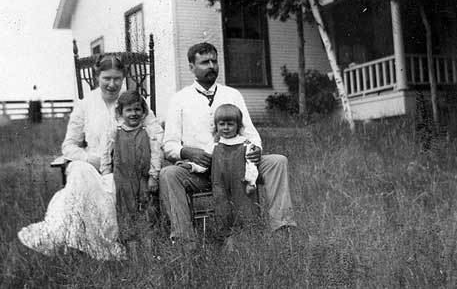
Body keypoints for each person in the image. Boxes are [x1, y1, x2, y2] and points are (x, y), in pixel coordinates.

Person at [17, 55, 163, 260]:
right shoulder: (85, 105)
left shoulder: (132, 102)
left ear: (124, 78)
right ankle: (72, 238)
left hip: (124, 169)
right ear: (97, 77)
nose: (112, 84)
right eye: (107, 78)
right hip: (90, 164)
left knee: (112, 182)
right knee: (78, 172)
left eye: (117, 78)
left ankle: (92, 243)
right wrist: (89, 159)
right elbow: (68, 145)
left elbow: (155, 133)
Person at [160, 42, 296, 246]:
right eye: (205, 62)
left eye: (214, 61)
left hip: (237, 165)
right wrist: (187, 152)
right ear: (191, 67)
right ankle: (184, 239)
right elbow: (168, 145)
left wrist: (255, 150)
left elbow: (251, 133)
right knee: (168, 174)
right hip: (202, 170)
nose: (211, 66)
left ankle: (281, 230)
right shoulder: (179, 99)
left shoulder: (232, 94)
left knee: (277, 161)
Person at [102, 90, 162, 246]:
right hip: (122, 180)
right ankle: (132, 249)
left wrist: (153, 176)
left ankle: (149, 247)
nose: (133, 113)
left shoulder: (147, 131)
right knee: (126, 212)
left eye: (137, 109)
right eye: (128, 110)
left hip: (143, 179)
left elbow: (156, 153)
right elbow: (106, 153)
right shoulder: (116, 131)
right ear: (121, 112)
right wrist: (106, 175)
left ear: (143, 111)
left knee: (146, 210)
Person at [211, 104, 260, 238]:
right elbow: (204, 162)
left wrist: (251, 182)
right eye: (222, 124)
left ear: (238, 126)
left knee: (245, 208)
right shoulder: (214, 144)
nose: (226, 128)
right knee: (223, 208)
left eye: (230, 124)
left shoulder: (246, 144)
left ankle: (248, 238)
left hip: (241, 183)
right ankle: (225, 238)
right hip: (220, 184)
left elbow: (251, 165)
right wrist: (191, 166)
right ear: (216, 126)